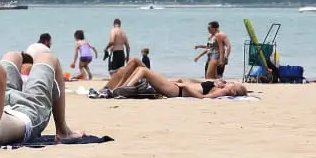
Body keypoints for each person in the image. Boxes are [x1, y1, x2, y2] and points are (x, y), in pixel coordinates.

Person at [104, 65, 248, 99]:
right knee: (138, 66)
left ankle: (123, 89)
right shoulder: (217, 86)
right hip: (176, 87)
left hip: (177, 91)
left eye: (232, 84)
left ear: (233, 90)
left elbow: (203, 98)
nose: (229, 83)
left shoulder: (222, 91)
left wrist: (185, 86)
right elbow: (198, 85)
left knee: (143, 70)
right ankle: (121, 88)